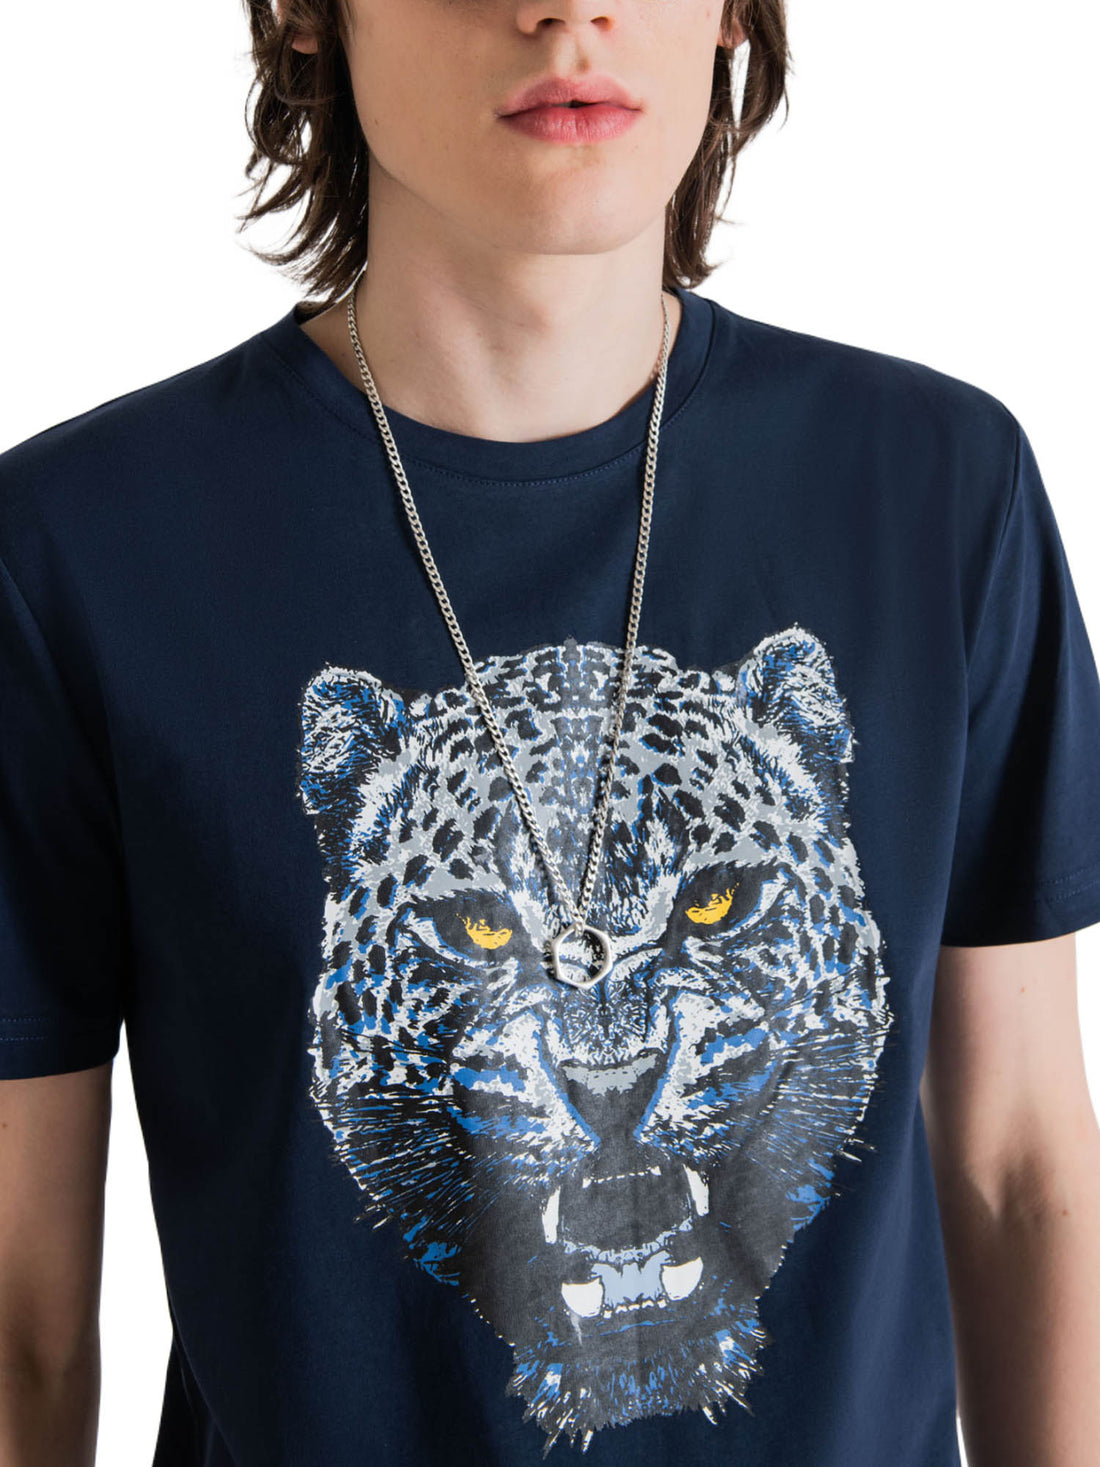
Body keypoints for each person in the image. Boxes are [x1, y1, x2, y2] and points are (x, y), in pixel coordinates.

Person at [1, 0, 1099, 1463]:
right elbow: (23, 1313)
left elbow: (1022, 1172)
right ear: (305, 13)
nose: (566, 11)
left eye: (715, 903)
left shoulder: (936, 489)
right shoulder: (81, 550)